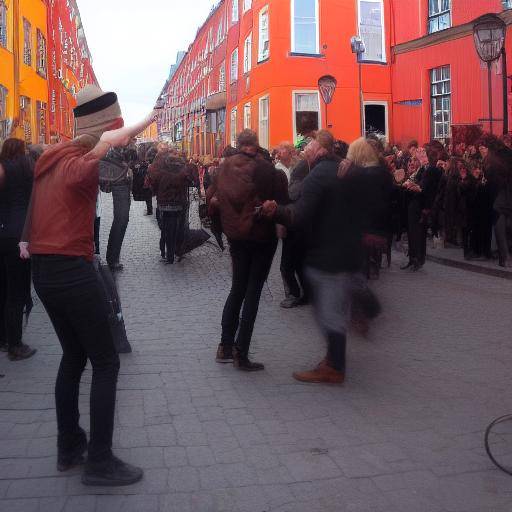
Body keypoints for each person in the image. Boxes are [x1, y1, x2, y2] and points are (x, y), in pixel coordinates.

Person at [20, 84, 159, 486]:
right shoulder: (77, 162)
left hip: (44, 273)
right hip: (70, 269)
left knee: (73, 357)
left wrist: (142, 122)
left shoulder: (51, 156)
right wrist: (104, 146)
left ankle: (69, 447)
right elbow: (83, 172)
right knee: (106, 361)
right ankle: (99, 461)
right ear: (104, 133)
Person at [262, 131, 375, 384]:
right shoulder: (345, 170)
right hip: (347, 249)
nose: (304, 154)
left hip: (327, 252)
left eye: (307, 151)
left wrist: (275, 211)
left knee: (327, 310)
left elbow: (299, 216)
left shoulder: (318, 175)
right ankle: (334, 356)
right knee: (332, 305)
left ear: (316, 153)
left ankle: (334, 366)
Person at [209, 129, 288, 371]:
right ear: (255, 145)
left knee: (237, 289)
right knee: (253, 293)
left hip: (236, 238)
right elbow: (282, 203)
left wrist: (222, 230)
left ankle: (225, 346)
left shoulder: (223, 168)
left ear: (239, 144)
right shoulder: (266, 170)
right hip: (261, 238)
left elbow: (212, 200)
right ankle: (241, 353)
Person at [0, 138, 37, 361]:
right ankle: (15, 344)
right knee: (18, 292)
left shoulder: (3, 168)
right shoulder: (26, 168)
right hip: (20, 235)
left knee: (2, 288)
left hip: (2, 232)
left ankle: (3, 337)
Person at [148, 152, 190, 264]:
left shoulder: (162, 173)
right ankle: (177, 251)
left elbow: (153, 185)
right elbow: (191, 182)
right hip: (179, 205)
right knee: (178, 228)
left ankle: (167, 254)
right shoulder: (183, 173)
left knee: (165, 230)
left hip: (164, 205)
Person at [102, 146, 135, 272]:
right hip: (120, 187)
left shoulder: (120, 152)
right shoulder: (116, 153)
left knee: (122, 221)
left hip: (123, 188)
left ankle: (113, 257)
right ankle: (112, 258)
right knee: (121, 221)